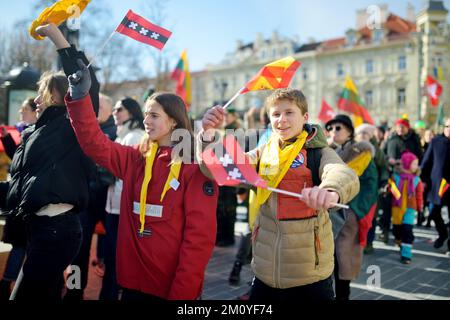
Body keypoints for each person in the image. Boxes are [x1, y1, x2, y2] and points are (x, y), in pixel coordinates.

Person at [65, 60, 219, 300]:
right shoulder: (136, 156)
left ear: (174, 121)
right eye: (146, 114)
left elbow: (199, 239)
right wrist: (79, 96)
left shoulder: (193, 165)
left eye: (154, 115)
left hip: (171, 289)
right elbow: (93, 142)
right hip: (131, 284)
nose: (146, 120)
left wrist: (183, 293)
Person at [200, 88, 359, 301]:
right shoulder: (263, 152)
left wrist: (330, 190)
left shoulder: (318, 151)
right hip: (265, 271)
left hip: (309, 275)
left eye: (289, 113)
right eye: (275, 114)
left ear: (304, 117)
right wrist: (208, 136)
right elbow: (217, 168)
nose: (281, 120)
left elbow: (342, 173)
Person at [0, 22, 100, 300]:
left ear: (62, 95)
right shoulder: (34, 133)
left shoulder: (72, 124)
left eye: (45, 90)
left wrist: (58, 37)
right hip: (39, 231)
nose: (37, 98)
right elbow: (21, 187)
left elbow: (84, 82)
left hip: (58, 230)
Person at [63, 93, 117, 300]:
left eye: (99, 107)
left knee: (112, 254)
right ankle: (73, 291)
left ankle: (109, 294)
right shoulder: (88, 130)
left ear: (110, 110)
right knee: (77, 252)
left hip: (107, 200)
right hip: (86, 200)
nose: (94, 110)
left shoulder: (115, 131)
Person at [326, 114, 378, 300]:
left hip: (348, 215)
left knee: (343, 261)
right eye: (330, 128)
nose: (333, 131)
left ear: (349, 132)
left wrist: (355, 210)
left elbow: (371, 185)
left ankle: (342, 296)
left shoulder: (360, 152)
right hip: (327, 214)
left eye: (338, 128)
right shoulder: (326, 151)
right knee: (326, 260)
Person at [100, 96, 145, 300]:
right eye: (115, 109)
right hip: (113, 205)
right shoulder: (123, 135)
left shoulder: (135, 137)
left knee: (116, 259)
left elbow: (130, 174)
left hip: (122, 208)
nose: (115, 113)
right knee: (112, 259)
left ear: (132, 112)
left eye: (120, 109)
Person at [0, 99, 38, 300]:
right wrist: (7, 140)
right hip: (19, 197)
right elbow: (17, 160)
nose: (21, 112)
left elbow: (22, 163)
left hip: (26, 198)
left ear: (34, 113)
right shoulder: (25, 131)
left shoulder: (33, 132)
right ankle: (9, 283)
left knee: (23, 245)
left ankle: (11, 284)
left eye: (25, 109)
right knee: (21, 245)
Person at [355, 123, 389, 254]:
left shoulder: (376, 150)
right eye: (360, 133)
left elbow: (384, 167)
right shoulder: (353, 148)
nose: (362, 136)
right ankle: (356, 241)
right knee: (355, 216)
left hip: (371, 190)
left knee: (371, 216)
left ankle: (369, 242)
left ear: (370, 136)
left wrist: (383, 182)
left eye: (365, 134)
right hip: (355, 188)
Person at [421, 118, 450, 250]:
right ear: (444, 127)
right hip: (436, 185)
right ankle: (442, 234)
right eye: (448, 126)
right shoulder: (436, 141)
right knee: (433, 213)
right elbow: (426, 162)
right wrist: (423, 179)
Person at [391, 151, 423, 264]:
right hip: (397, 208)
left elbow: (419, 195)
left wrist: (420, 208)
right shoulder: (396, 177)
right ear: (407, 163)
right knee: (397, 230)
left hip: (410, 208)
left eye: (417, 164)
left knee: (407, 231)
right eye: (414, 163)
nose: (416, 166)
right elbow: (392, 191)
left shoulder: (417, 180)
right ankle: (399, 241)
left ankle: (406, 254)